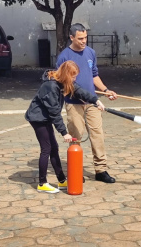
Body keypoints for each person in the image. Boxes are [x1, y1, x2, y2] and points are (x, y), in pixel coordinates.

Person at [25, 60, 105, 193]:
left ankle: (62, 181)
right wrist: (64, 133)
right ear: (66, 75)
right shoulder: (50, 86)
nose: (74, 79)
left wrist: (95, 100)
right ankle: (42, 183)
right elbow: (55, 113)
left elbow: (79, 91)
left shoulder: (63, 82)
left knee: (54, 148)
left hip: (46, 117)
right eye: (73, 77)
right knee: (46, 149)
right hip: (38, 118)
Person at [56, 23, 118, 183]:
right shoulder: (64, 57)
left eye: (85, 37)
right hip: (73, 103)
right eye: (80, 38)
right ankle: (75, 170)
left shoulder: (91, 53)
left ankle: (101, 170)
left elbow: (94, 75)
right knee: (75, 137)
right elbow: (65, 83)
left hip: (92, 102)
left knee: (98, 135)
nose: (84, 41)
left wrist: (105, 90)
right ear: (71, 37)